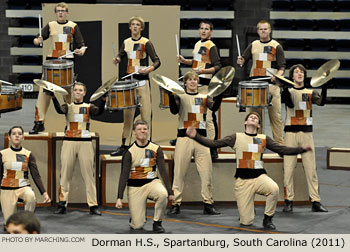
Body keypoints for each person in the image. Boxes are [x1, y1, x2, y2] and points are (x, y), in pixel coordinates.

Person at [186, 112, 311, 230]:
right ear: (245, 122)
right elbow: (213, 144)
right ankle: (248, 210)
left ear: (259, 125)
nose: (253, 118)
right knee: (246, 222)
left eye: (256, 118)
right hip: (242, 181)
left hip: (259, 177)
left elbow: (282, 150)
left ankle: (268, 219)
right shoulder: (236, 137)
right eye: (250, 117)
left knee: (274, 189)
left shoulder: (263, 138)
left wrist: (301, 149)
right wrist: (195, 136)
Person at [167, 71, 223, 216]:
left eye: (195, 79)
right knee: (179, 173)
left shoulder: (205, 97)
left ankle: (208, 204)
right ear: (185, 83)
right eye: (190, 80)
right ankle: (176, 204)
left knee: (206, 173)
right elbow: (174, 110)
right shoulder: (181, 95)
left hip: (201, 139)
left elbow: (214, 107)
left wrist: (221, 93)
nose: (193, 82)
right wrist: (170, 96)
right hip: (183, 138)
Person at [30, 2, 86, 134]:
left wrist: (81, 50)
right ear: (55, 13)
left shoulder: (73, 26)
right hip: (52, 62)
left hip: (67, 62)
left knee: (68, 96)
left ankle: (71, 124)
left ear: (67, 13)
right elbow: (37, 39)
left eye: (63, 10)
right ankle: (39, 122)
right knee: (44, 93)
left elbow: (82, 45)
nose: (61, 13)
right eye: (58, 11)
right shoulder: (50, 25)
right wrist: (37, 41)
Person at [50, 82, 105, 215]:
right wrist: (53, 97)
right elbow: (59, 110)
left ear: (84, 93)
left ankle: (93, 205)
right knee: (65, 174)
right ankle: (62, 204)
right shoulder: (68, 107)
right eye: (76, 90)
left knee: (89, 175)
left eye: (80, 90)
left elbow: (99, 112)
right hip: (69, 142)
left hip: (85, 143)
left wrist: (103, 100)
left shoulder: (89, 106)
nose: (78, 92)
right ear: (73, 92)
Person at [281, 64, 328, 213]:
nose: (299, 73)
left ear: (304, 75)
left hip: (307, 134)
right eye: (296, 72)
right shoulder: (288, 91)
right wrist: (283, 87)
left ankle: (315, 201)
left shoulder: (310, 91)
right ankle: (289, 200)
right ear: (292, 76)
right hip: (291, 134)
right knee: (288, 169)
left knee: (310, 169)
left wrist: (324, 86)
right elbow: (289, 103)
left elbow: (321, 102)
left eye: (301, 72)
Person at [111, 16, 160, 156]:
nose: (135, 27)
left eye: (138, 25)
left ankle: (147, 145)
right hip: (129, 83)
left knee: (145, 115)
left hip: (143, 82)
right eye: (133, 24)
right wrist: (117, 59)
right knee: (128, 117)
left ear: (141, 28)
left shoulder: (146, 42)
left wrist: (149, 69)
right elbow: (120, 56)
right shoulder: (126, 42)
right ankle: (124, 146)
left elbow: (157, 61)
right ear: (130, 27)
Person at [116, 120, 174, 233]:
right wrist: (119, 197)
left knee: (162, 194)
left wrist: (170, 192)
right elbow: (124, 175)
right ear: (134, 132)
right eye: (139, 129)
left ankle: (157, 223)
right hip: (135, 187)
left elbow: (163, 171)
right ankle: (136, 216)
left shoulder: (156, 149)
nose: (143, 131)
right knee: (137, 226)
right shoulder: (129, 152)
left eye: (145, 129)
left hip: (152, 183)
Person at [177, 19, 222, 159]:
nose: (203, 31)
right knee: (193, 115)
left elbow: (218, 66)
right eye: (201, 28)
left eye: (206, 29)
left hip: (206, 86)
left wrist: (203, 72)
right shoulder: (197, 44)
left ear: (211, 32)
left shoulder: (211, 46)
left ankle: (213, 147)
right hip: (195, 86)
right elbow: (197, 62)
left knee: (208, 117)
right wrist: (185, 61)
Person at [237, 20, 286, 145]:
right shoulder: (253, 45)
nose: (263, 31)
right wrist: (240, 61)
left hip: (271, 86)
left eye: (265, 29)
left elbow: (282, 67)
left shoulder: (276, 46)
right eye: (261, 29)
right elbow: (243, 61)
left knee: (276, 117)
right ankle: (257, 144)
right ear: (258, 31)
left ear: (270, 30)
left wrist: (277, 76)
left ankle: (279, 145)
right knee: (255, 118)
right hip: (255, 86)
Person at [0, 126, 51, 224]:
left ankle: (27, 221)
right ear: (9, 138)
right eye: (14, 134)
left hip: (23, 187)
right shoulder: (3, 154)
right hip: (7, 189)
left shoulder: (28, 154)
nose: (17, 136)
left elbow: (36, 175)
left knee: (30, 196)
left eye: (19, 134)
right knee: (10, 224)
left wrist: (44, 192)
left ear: (23, 138)